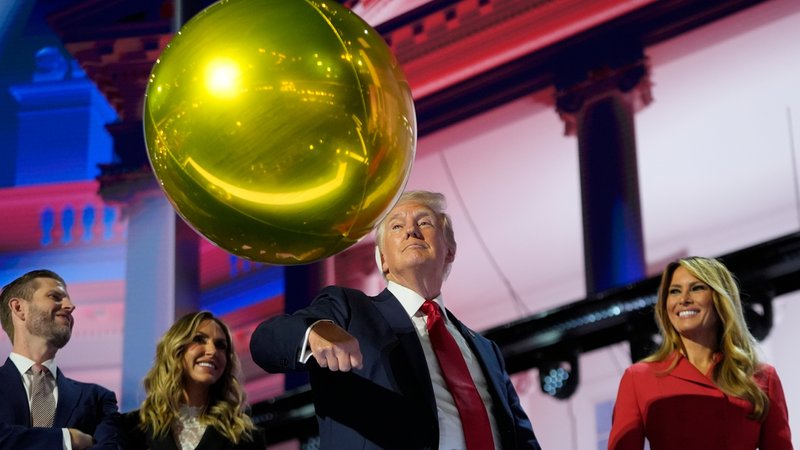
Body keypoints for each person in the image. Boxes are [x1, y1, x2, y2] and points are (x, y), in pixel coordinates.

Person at [250, 190, 541, 449]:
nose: (411, 231)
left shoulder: (486, 350)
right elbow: (266, 341)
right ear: (382, 260)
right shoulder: (350, 309)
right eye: (397, 226)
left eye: (424, 222)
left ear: (449, 250)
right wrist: (314, 331)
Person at [608, 256, 793, 450]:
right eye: (674, 291)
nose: (683, 299)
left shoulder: (762, 377)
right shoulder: (638, 378)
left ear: (720, 299)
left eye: (696, 288)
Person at [0, 269, 122, 449]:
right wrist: (67, 438)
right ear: (19, 308)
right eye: (55, 297)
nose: (70, 306)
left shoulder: (97, 399)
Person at [122, 311, 265, 450]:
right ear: (176, 349)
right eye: (199, 340)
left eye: (220, 345)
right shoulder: (129, 428)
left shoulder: (244, 436)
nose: (212, 351)